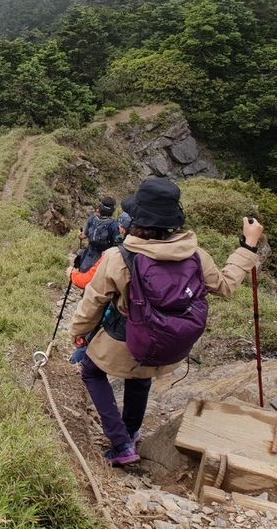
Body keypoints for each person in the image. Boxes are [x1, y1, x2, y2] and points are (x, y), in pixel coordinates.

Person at [68, 177, 263, 466]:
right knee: (141, 379)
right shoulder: (195, 255)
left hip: (125, 339)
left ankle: (121, 443)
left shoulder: (119, 257)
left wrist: (78, 333)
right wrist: (248, 246)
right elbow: (225, 286)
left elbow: (92, 303)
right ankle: (131, 432)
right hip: (168, 344)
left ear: (136, 219)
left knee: (91, 371)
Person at [76, 196, 121, 272]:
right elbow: (118, 246)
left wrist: (79, 235)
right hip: (104, 259)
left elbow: (83, 236)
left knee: (84, 276)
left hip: (88, 256)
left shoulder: (92, 219)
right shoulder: (113, 225)